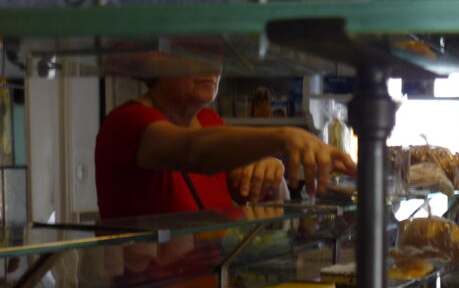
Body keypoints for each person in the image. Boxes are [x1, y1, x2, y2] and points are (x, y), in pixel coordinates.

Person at [95, 72, 355, 218]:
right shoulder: (127, 122)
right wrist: (282, 137)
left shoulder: (209, 121)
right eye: (195, 51)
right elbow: (193, 152)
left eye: (216, 52)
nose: (209, 65)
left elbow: (269, 206)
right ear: (158, 61)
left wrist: (270, 172)